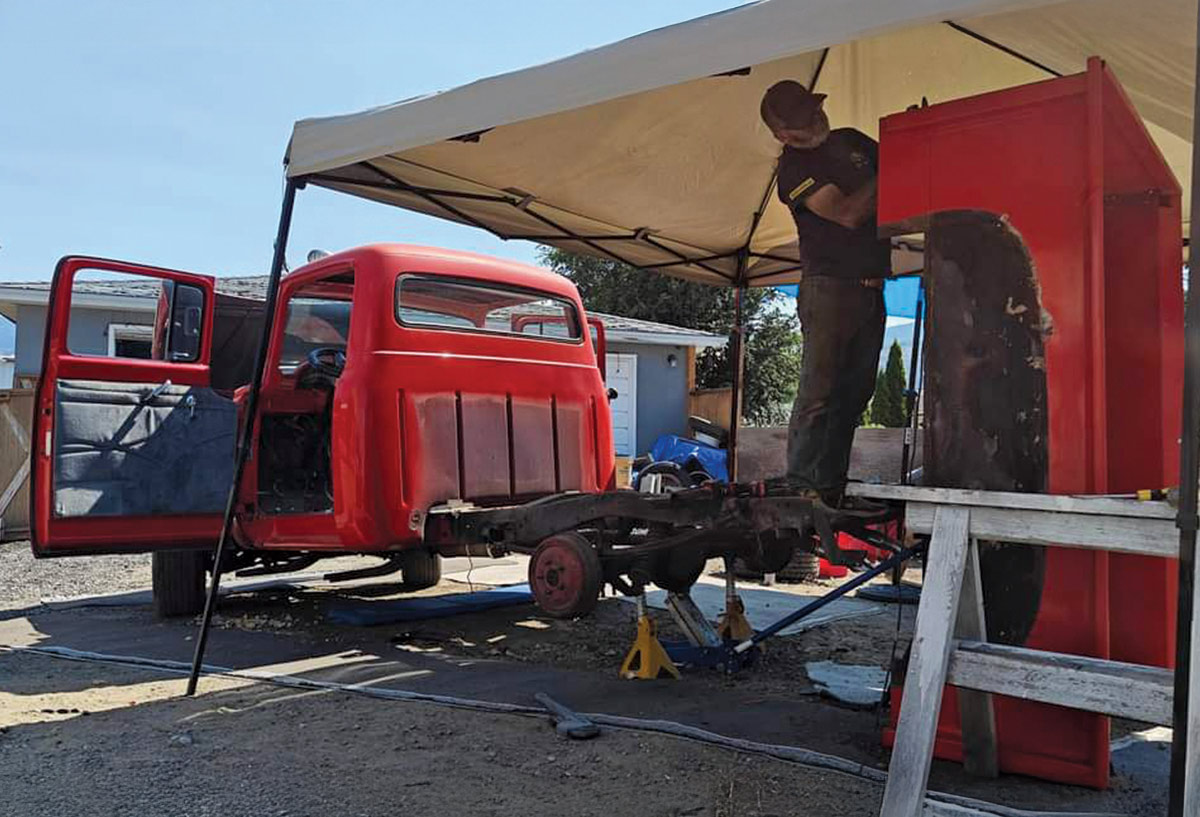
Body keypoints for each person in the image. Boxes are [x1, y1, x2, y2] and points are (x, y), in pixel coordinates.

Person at [760, 80, 889, 505]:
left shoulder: (851, 140)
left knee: (855, 393)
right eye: (801, 124)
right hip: (829, 289)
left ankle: (829, 487)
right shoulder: (793, 171)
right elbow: (849, 214)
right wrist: (892, 170)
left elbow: (906, 160)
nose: (814, 123)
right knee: (820, 392)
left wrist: (911, 144)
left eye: (814, 113)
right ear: (782, 136)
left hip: (871, 286)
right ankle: (801, 484)